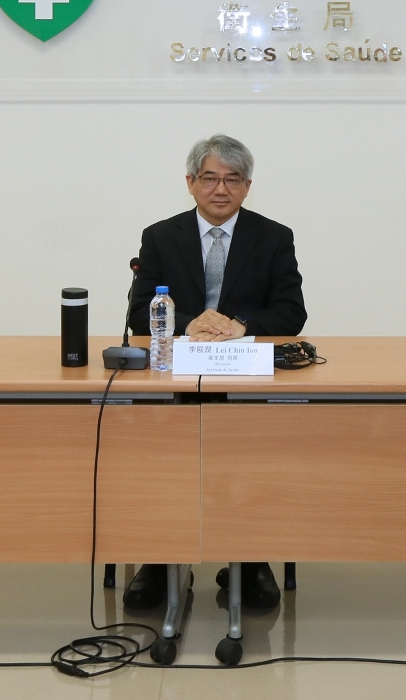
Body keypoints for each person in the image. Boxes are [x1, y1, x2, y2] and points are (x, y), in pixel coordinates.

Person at [123, 134, 306, 610]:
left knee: (251, 447)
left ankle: (250, 558)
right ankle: (160, 558)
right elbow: (139, 312)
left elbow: (292, 312)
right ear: (190, 182)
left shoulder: (274, 237)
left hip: (244, 377)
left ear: (247, 186)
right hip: (176, 376)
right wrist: (189, 322)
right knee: (158, 445)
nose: (220, 189)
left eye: (232, 179)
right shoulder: (161, 236)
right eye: (209, 178)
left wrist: (240, 324)